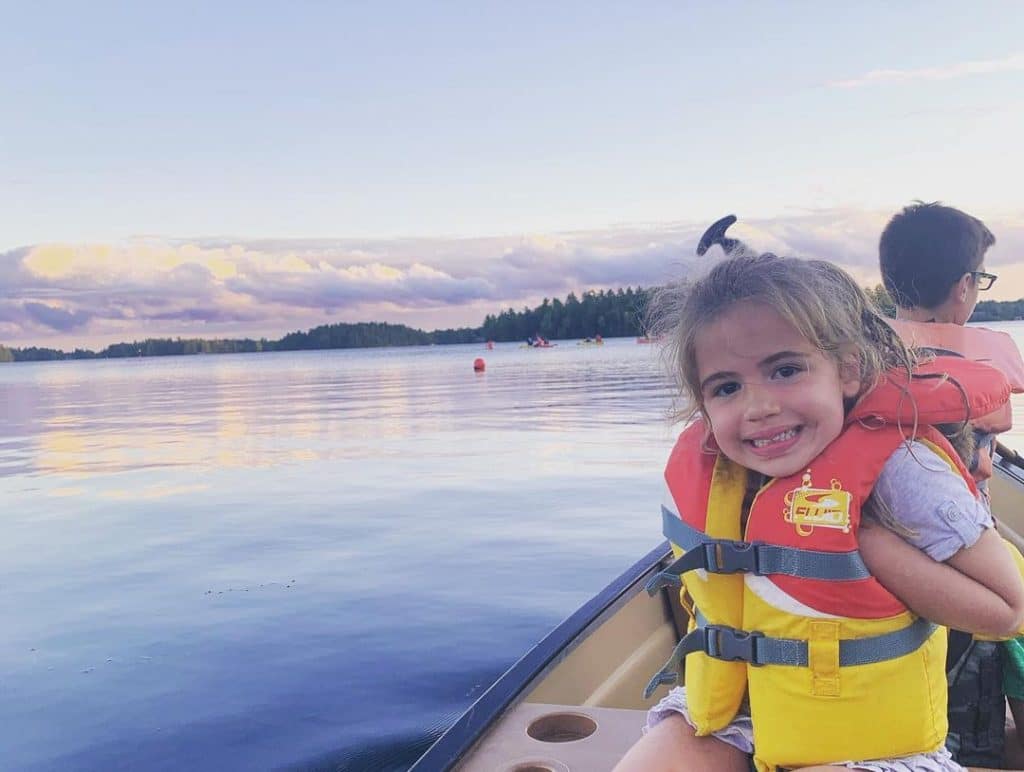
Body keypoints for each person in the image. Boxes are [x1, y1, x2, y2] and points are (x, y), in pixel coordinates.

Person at [614, 251, 1024, 772]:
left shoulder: (905, 470)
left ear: (849, 369)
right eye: (727, 387)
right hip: (744, 710)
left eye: (785, 370)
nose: (758, 406)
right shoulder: (724, 468)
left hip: (868, 739)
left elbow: (1009, 608)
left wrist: (869, 546)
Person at [880, 201, 1024, 768]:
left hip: (882, 573)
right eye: (981, 280)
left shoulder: (853, 356)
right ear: (964, 286)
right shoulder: (988, 357)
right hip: (958, 561)